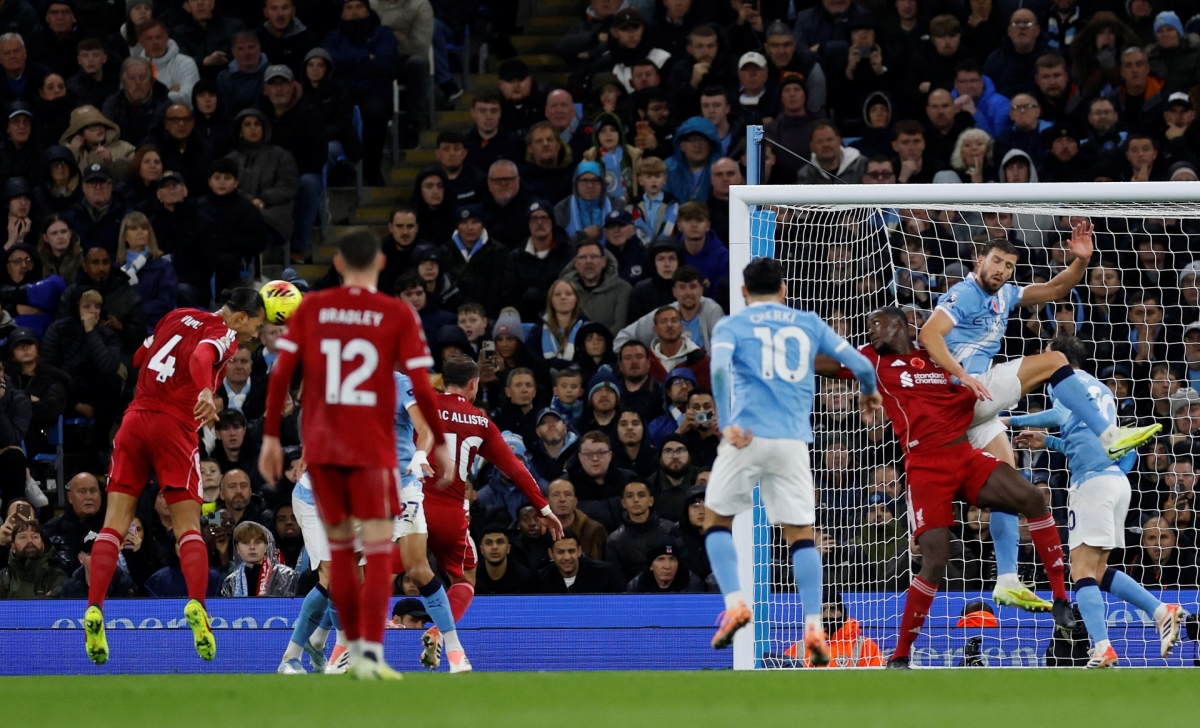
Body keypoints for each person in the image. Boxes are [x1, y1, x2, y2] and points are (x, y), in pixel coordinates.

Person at [919, 231, 1161, 611]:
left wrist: (1081, 261)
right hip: (963, 391)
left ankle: (1007, 579)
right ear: (978, 261)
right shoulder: (964, 293)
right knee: (1054, 361)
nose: (1001, 270)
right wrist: (962, 375)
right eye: (996, 261)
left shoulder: (1007, 294)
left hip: (972, 407)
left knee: (1007, 482)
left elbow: (1054, 288)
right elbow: (928, 333)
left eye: (1009, 266)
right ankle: (1109, 434)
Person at [259, 229, 451, 680]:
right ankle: (357, 653)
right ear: (381, 265)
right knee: (376, 552)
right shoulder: (397, 313)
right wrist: (438, 440)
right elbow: (423, 387)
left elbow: (283, 373)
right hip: (372, 453)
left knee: (348, 560)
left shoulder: (315, 310)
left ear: (339, 264)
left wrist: (271, 436)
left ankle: (343, 649)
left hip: (328, 454)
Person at [703, 258, 879, 663]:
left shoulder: (732, 325)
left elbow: (718, 370)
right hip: (793, 443)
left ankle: (735, 604)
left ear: (744, 292)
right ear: (783, 289)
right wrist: (869, 392)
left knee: (717, 522)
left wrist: (727, 420)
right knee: (800, 537)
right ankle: (815, 625)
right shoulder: (808, 321)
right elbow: (863, 365)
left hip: (746, 436)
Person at [80, 287, 265, 665]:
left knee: (113, 524)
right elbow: (201, 355)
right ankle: (197, 606)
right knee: (188, 527)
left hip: (133, 421)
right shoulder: (223, 332)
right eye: (257, 326)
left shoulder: (176, 314)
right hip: (173, 427)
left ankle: (95, 607)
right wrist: (202, 389)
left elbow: (138, 357)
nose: (256, 336)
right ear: (241, 317)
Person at [1009, 336, 1184, 668]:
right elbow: (1083, 438)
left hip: (1093, 484)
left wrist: (1012, 421)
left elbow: (1059, 415)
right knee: (1097, 569)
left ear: (1056, 358)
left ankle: (1102, 647)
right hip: (1115, 480)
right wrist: (1048, 442)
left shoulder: (1063, 384)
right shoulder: (1101, 389)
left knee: (1080, 570)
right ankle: (1162, 611)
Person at [421, 357, 562, 670]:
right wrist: (544, 508)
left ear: (443, 381)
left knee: (379, 571)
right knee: (465, 578)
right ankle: (438, 631)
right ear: (474, 385)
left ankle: (348, 643)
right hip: (450, 512)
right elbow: (515, 467)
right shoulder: (480, 421)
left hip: (412, 508)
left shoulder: (421, 403)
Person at [114, 211, 176, 330]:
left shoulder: (163, 266)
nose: (140, 232)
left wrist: (135, 311)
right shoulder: (116, 268)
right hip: (122, 328)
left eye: (144, 228)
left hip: (154, 327)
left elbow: (165, 303)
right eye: (134, 228)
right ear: (125, 236)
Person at [220, 521, 299, 597]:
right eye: (246, 543)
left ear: (266, 547)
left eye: (257, 542)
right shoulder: (230, 581)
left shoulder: (287, 576)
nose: (252, 547)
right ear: (237, 549)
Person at [0, 520, 65, 598]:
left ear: (43, 545)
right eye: (23, 537)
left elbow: (57, 605)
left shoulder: (56, 576)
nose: (30, 541)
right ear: (13, 548)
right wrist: (44, 599)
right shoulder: (3, 577)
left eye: (35, 536)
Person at [474, 521, 530, 595]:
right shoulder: (471, 577)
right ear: (481, 549)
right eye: (489, 543)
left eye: (500, 542)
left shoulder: (525, 578)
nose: (494, 547)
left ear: (508, 548)